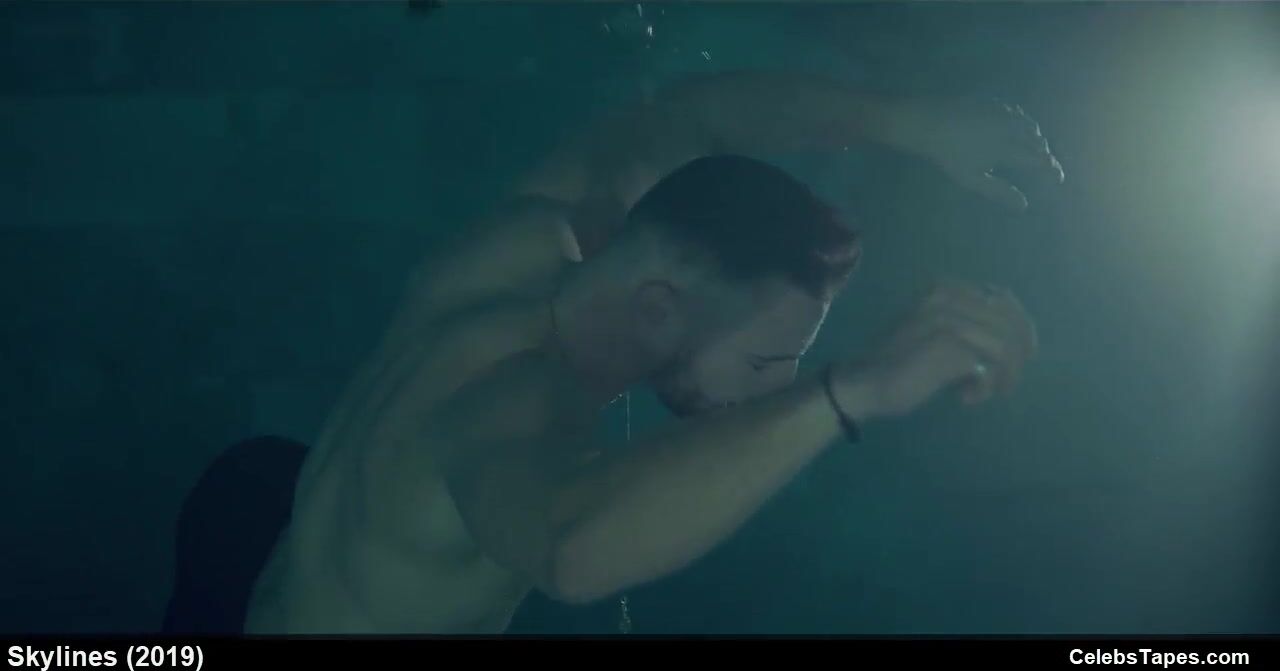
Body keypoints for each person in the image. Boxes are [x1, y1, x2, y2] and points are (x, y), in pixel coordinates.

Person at [162, 71, 1062, 634]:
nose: (770, 387)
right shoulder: (515, 397)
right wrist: (847, 392)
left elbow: (693, 113)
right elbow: (570, 549)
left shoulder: (527, 240)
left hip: (283, 576)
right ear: (661, 308)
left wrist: (909, 122)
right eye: (763, 363)